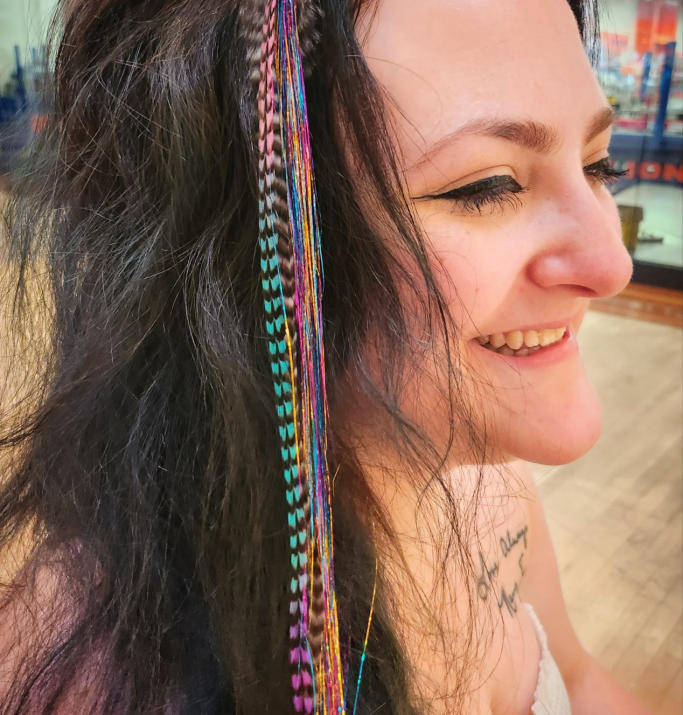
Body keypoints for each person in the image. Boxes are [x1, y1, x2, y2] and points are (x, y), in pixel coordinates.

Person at [0, 0, 652, 713]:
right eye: (485, 186)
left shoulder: (490, 485)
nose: (611, 264)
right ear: (242, 253)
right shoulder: (99, 665)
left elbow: (577, 676)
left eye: (597, 164)